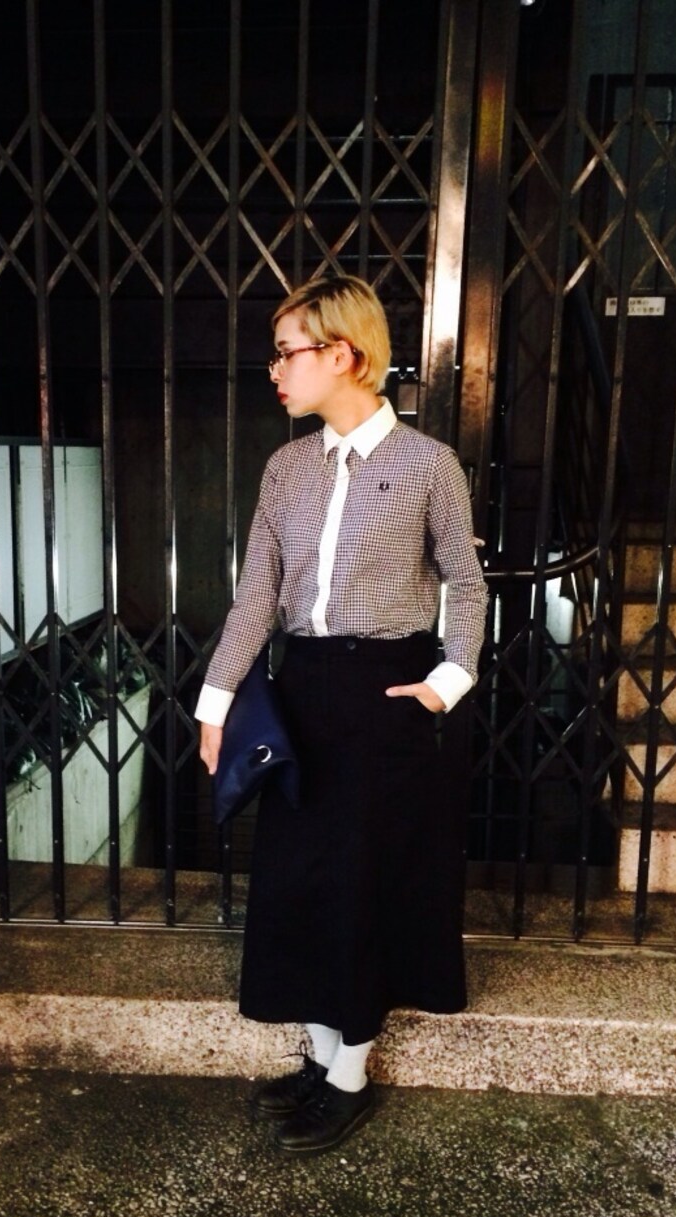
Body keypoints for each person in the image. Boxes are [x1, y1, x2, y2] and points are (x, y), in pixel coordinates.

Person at [195, 274, 488, 1156]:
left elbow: (467, 584)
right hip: (301, 692)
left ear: (343, 354)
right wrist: (216, 705)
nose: (275, 371)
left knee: (363, 887)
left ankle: (349, 1083)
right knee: (303, 884)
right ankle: (323, 1065)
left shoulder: (429, 464)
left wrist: (447, 681)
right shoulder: (286, 469)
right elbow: (257, 596)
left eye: (286, 353)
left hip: (384, 696)